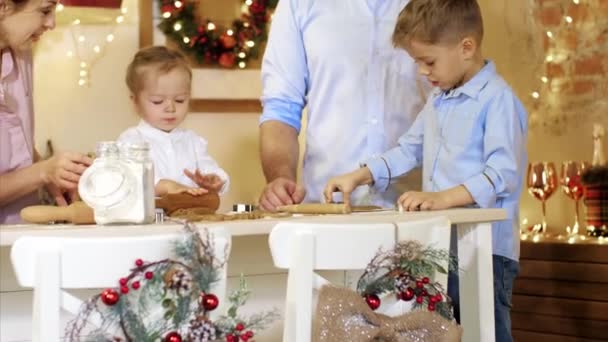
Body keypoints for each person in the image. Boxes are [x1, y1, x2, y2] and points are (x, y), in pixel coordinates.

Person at [324, 0, 527, 341]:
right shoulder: (439, 100)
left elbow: (501, 174)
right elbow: (409, 149)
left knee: (486, 332)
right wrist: (360, 175)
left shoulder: (498, 101)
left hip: (487, 251)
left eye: (428, 61)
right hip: (441, 247)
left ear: (466, 47)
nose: (422, 71)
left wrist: (442, 199)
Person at [258, 0, 428, 211]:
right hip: (328, 209)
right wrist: (281, 178)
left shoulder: (438, 4)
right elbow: (281, 109)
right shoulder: (298, 4)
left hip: (420, 208)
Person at [0, 0, 93, 224]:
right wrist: (42, 172)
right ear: (3, 7)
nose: (51, 23)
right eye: (44, 11)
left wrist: (54, 174)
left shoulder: (22, 54)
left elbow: (15, 141)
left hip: (20, 235)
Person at [117, 46, 229, 197]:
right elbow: (131, 180)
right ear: (136, 102)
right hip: (151, 218)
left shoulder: (193, 141)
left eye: (180, 100)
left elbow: (212, 172)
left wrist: (214, 181)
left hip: (191, 216)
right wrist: (166, 186)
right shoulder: (131, 140)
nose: (170, 108)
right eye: (158, 101)